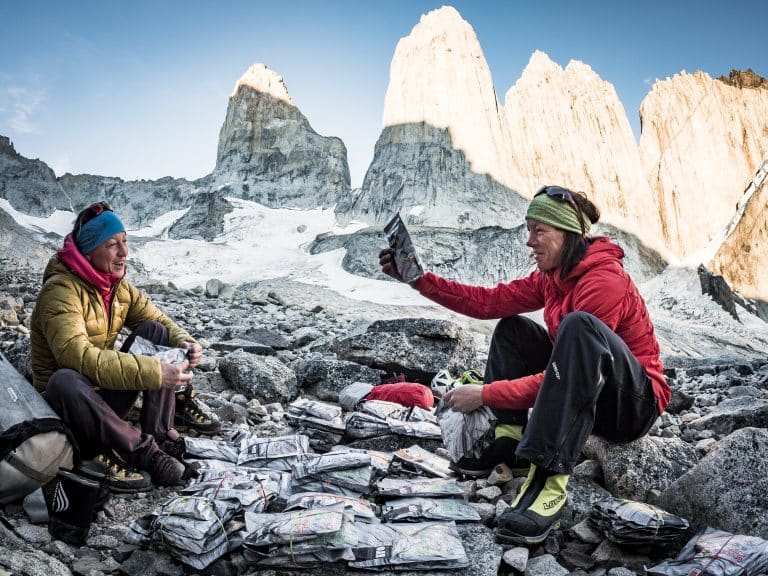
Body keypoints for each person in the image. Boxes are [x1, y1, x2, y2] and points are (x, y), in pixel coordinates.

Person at [379, 185, 669, 545]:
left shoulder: (604, 281)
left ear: (567, 235)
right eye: (528, 229)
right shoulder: (551, 276)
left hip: (632, 407)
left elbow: (567, 376)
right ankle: (509, 437)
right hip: (589, 389)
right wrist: (419, 281)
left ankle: (548, 479)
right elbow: (487, 302)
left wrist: (484, 393)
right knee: (512, 329)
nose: (529, 240)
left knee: (579, 327)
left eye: (539, 230)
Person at [30, 202, 216, 492]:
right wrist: (153, 372)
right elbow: (77, 357)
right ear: (89, 250)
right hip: (69, 407)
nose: (124, 253)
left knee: (155, 332)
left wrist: (185, 341)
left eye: (125, 242)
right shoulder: (60, 291)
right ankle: (142, 453)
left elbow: (156, 319)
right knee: (63, 380)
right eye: (112, 245)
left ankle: (160, 436)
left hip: (101, 395)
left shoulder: (115, 285)